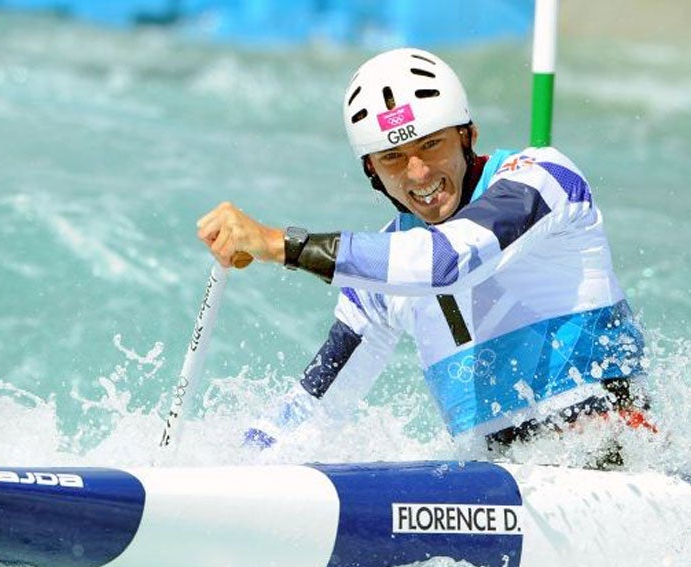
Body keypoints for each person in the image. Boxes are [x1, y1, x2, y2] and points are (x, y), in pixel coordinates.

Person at [196, 47, 654, 467]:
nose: (418, 174)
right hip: (501, 493)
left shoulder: (545, 180)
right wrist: (232, 471)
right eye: (393, 157)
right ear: (371, 172)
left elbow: (448, 263)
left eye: (431, 145)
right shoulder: (383, 269)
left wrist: (279, 244)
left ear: (467, 136)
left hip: (616, 461)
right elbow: (315, 407)